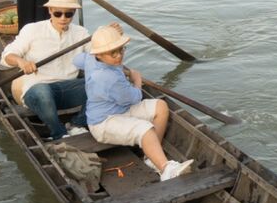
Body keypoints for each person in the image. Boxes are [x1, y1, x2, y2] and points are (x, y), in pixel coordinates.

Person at [73, 24, 193, 181]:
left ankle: (151, 158)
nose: (119, 56)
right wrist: (136, 80)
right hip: (104, 123)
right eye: (112, 52)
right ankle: (166, 170)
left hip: (121, 109)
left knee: (160, 107)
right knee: (145, 129)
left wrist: (120, 68)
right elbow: (135, 97)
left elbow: (76, 60)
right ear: (100, 54)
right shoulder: (108, 78)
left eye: (121, 49)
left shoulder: (90, 58)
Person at [1, 0, 88, 142]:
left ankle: (77, 124)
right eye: (58, 13)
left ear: (74, 13)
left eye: (68, 14)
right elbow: (8, 55)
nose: (63, 18)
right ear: (50, 10)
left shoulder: (81, 33)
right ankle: (59, 133)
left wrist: (109, 35)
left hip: (66, 88)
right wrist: (21, 61)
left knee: (100, 84)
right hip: (37, 90)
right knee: (43, 92)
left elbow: (100, 54)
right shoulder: (32, 30)